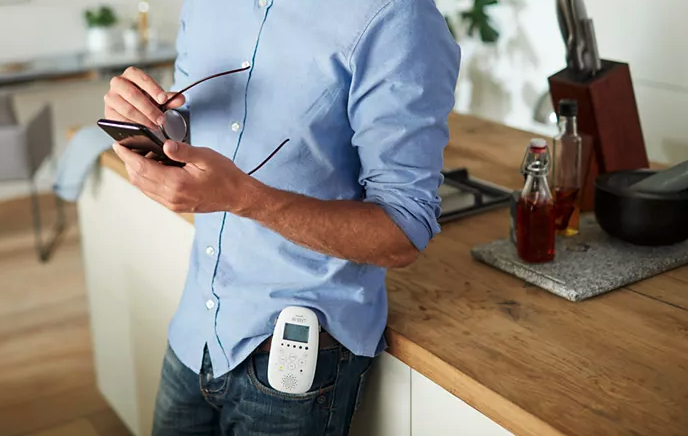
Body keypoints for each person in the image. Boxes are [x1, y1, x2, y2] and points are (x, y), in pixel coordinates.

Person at [104, 0, 460, 434]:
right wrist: (143, 120)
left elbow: (402, 231)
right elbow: (191, 138)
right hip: (196, 328)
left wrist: (243, 197)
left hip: (296, 364)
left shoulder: (396, 17)